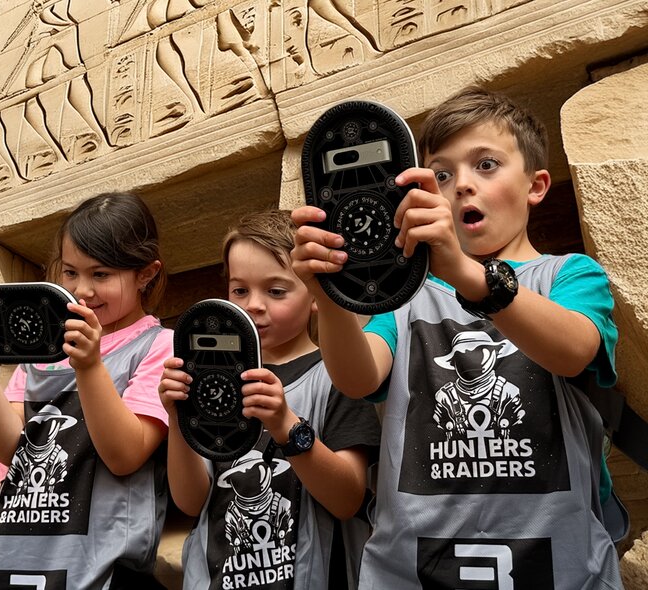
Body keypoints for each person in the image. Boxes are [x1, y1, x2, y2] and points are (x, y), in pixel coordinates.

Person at [291, 86, 623, 588]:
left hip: (557, 564)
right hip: (412, 567)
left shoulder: (568, 275)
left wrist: (468, 274)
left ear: (536, 185)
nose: (461, 185)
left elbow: (575, 350)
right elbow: (359, 378)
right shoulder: (407, 294)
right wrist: (331, 296)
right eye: (441, 174)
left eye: (486, 165)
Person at [0, 191, 173, 589]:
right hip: (12, 551)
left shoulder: (159, 345)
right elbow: (11, 446)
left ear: (146, 274)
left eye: (101, 275)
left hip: (99, 564)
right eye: (70, 272)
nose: (82, 290)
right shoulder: (43, 351)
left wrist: (90, 366)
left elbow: (125, 456)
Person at [159, 209, 381, 589]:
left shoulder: (339, 376)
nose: (253, 305)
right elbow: (191, 501)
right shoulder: (213, 379)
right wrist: (178, 420)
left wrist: (285, 425)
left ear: (314, 294)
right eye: (239, 290)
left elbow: (347, 498)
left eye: (275, 291)